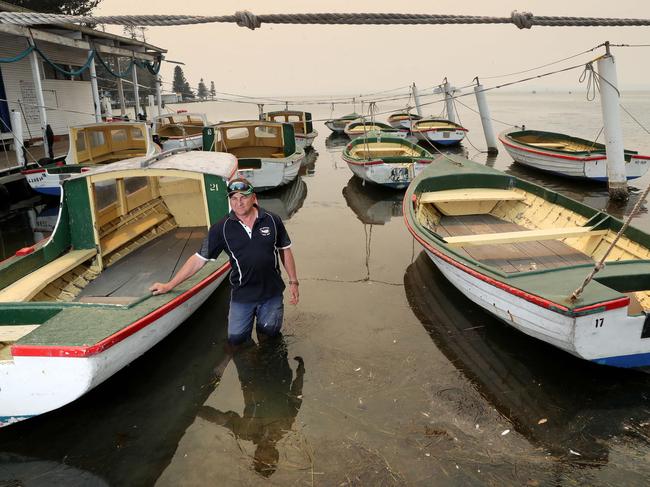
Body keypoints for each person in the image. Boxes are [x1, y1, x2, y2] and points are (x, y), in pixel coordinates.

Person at [149, 178, 299, 345]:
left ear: (254, 198)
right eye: (233, 198)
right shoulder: (221, 228)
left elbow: (284, 249)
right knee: (236, 340)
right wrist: (170, 285)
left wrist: (294, 282)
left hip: (271, 293)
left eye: (243, 197)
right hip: (242, 295)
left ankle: (267, 364)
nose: (238, 203)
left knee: (270, 335)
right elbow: (199, 260)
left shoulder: (272, 220)